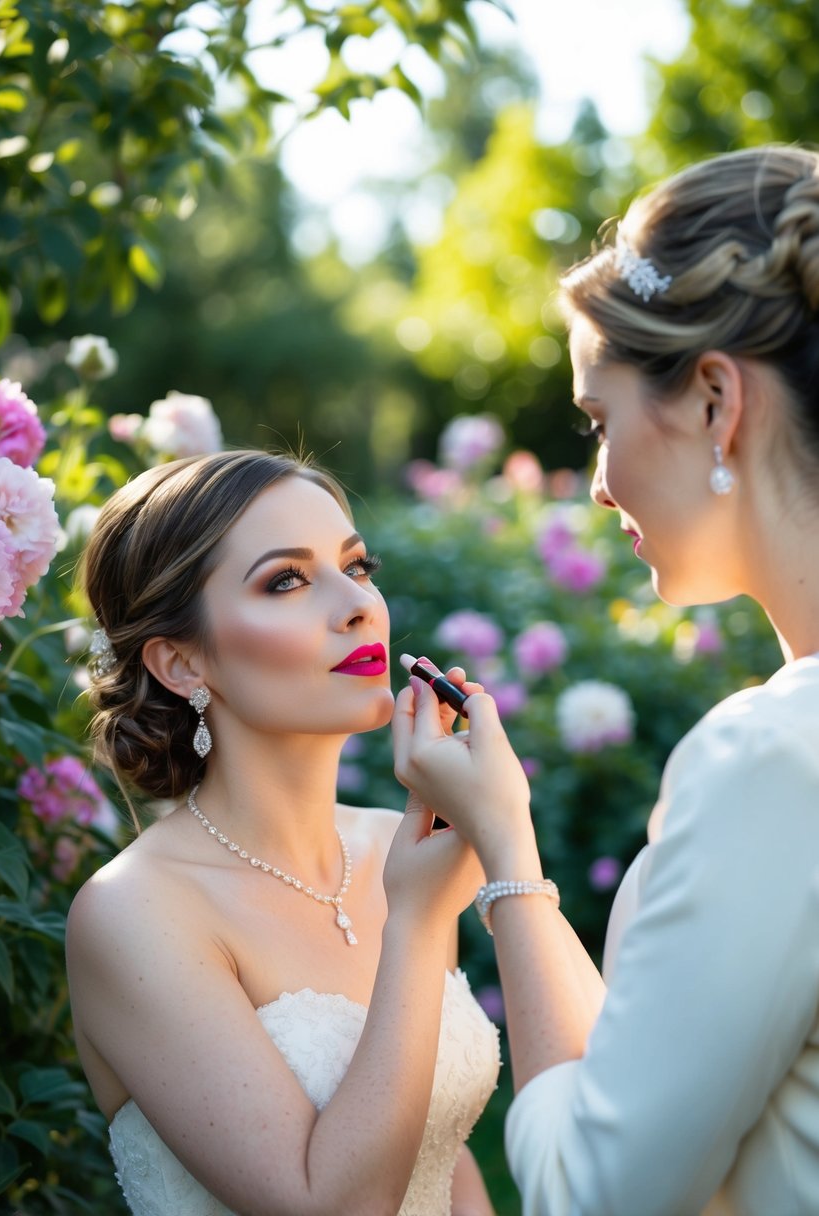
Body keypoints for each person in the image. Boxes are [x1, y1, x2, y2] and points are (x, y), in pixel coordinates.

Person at [391, 144, 819, 1216]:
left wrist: (503, 861)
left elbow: (596, 1194)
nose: (595, 483)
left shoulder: (771, 757)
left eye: (598, 419)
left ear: (715, 399)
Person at [65, 449, 500, 1216]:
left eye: (357, 567)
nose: (358, 605)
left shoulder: (394, 850)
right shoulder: (135, 913)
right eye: (286, 581)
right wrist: (420, 920)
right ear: (182, 662)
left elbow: (440, 1146)